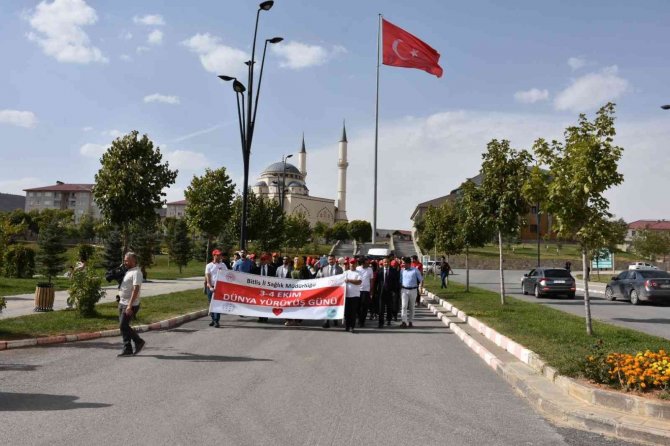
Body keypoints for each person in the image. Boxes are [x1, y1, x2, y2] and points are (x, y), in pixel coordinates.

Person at [117, 252, 146, 357]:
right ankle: (127, 348)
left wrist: (129, 305)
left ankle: (138, 342)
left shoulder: (137, 272)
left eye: (127, 260)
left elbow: (136, 289)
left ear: (133, 261)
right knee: (123, 326)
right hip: (122, 302)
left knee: (123, 325)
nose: (125, 262)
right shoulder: (129, 271)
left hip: (130, 304)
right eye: (124, 260)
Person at [318, 255, 343, 328]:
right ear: (327, 260)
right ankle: (326, 321)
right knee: (326, 305)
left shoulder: (340, 269)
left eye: (332, 259)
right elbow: (321, 278)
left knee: (334, 305)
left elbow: (341, 279)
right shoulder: (324, 269)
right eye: (329, 259)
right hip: (327, 291)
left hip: (336, 290)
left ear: (335, 260)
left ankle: (335, 318)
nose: (330, 261)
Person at [206, 249, 228, 328]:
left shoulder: (223, 265)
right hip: (211, 287)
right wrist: (210, 286)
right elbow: (208, 278)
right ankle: (213, 319)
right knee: (211, 304)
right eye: (218, 255)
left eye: (220, 255)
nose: (219, 256)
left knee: (217, 303)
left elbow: (227, 275)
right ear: (214, 255)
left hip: (219, 287)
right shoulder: (209, 265)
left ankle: (216, 320)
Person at [375, 258, 400, 328]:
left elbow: (396, 282)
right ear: (382, 263)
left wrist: (395, 291)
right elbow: (376, 282)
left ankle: (389, 320)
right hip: (381, 292)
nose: (386, 263)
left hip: (390, 292)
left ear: (389, 263)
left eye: (387, 262)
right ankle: (381, 322)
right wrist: (375, 292)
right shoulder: (379, 271)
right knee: (381, 309)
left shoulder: (394, 271)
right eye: (385, 262)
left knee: (389, 307)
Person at [400, 256, 423, 329]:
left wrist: (420, 288)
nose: (403, 265)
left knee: (411, 307)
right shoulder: (402, 271)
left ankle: (410, 322)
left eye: (404, 263)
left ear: (408, 263)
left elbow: (421, 280)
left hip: (413, 290)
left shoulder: (415, 270)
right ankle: (404, 322)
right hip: (404, 290)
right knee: (404, 306)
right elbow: (400, 280)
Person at [252, 254, 275, 323]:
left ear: (267, 261)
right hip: (259, 289)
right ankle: (260, 317)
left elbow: (275, 279)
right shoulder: (256, 269)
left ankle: (265, 317)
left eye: (263, 260)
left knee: (266, 304)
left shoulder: (272, 269)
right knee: (260, 304)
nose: (262, 261)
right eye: (261, 259)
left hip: (268, 289)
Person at [343, 258, 362, 333]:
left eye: (354, 263)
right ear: (349, 264)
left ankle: (352, 326)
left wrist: (349, 280)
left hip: (355, 295)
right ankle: (347, 326)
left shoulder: (358, 273)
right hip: (346, 295)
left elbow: (359, 282)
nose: (352, 265)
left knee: (353, 312)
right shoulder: (345, 272)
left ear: (356, 264)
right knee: (347, 312)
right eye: (351, 263)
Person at [356, 257, 373, 328]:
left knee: (364, 307)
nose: (368, 263)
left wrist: (371, 290)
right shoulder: (357, 269)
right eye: (366, 262)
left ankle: (362, 321)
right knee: (358, 307)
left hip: (366, 291)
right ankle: (359, 318)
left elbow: (371, 280)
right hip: (357, 290)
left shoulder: (370, 269)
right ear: (362, 263)